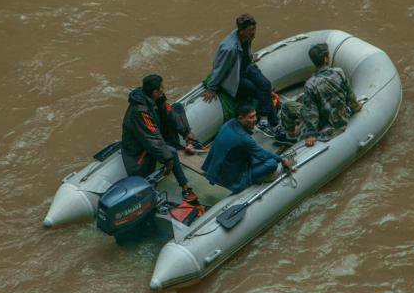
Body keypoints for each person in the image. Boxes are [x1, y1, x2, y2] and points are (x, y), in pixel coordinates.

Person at [121, 75, 199, 203]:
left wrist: (186, 131)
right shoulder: (140, 111)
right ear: (154, 92)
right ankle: (185, 187)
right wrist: (167, 159)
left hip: (152, 134)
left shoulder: (156, 98)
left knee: (177, 107)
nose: (164, 89)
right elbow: (151, 138)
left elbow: (169, 113)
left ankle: (185, 142)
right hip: (139, 148)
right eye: (161, 87)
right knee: (171, 153)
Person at [201, 13, 278, 132]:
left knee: (265, 85)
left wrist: (250, 57)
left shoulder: (247, 37)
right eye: (251, 30)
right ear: (241, 31)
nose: (254, 32)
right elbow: (219, 68)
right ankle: (272, 121)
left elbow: (245, 51)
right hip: (234, 76)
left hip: (246, 67)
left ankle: (264, 120)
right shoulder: (229, 48)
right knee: (255, 89)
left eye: (254, 29)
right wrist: (212, 88)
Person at [277, 43, 363, 147]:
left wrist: (311, 134)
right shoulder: (339, 72)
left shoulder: (310, 84)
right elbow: (349, 94)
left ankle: (291, 136)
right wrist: (356, 106)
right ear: (326, 58)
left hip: (325, 123)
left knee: (287, 106)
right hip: (342, 115)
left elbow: (311, 113)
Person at [202, 102, 293, 194]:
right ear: (240, 118)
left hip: (215, 169)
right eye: (251, 117)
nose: (255, 119)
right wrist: (282, 160)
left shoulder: (228, 123)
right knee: (272, 163)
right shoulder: (244, 138)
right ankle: (253, 179)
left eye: (255, 116)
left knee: (254, 155)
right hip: (231, 179)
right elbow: (262, 154)